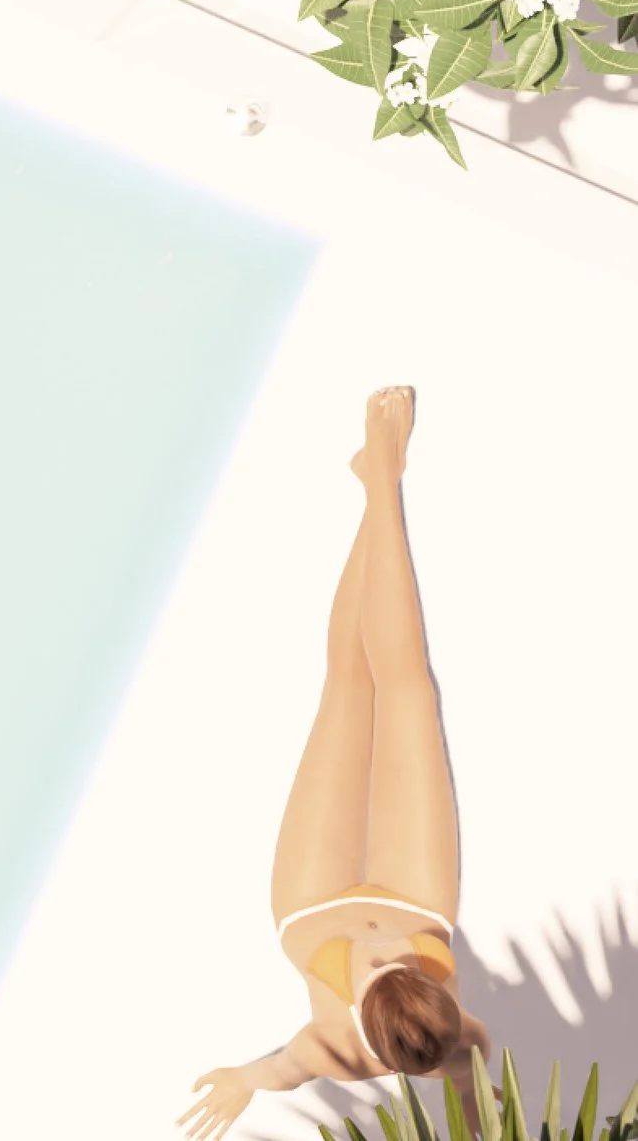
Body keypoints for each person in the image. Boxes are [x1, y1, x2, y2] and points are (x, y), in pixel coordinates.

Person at [180, 388, 494, 1137]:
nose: (385, 951)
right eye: (405, 965)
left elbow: (276, 1068)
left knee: (350, 686)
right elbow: (480, 1107)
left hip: (312, 900)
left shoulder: (337, 1049)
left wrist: (240, 1081)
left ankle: (377, 480)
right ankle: (382, 478)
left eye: (378, 967)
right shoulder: (466, 1037)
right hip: (421, 895)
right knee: (412, 686)